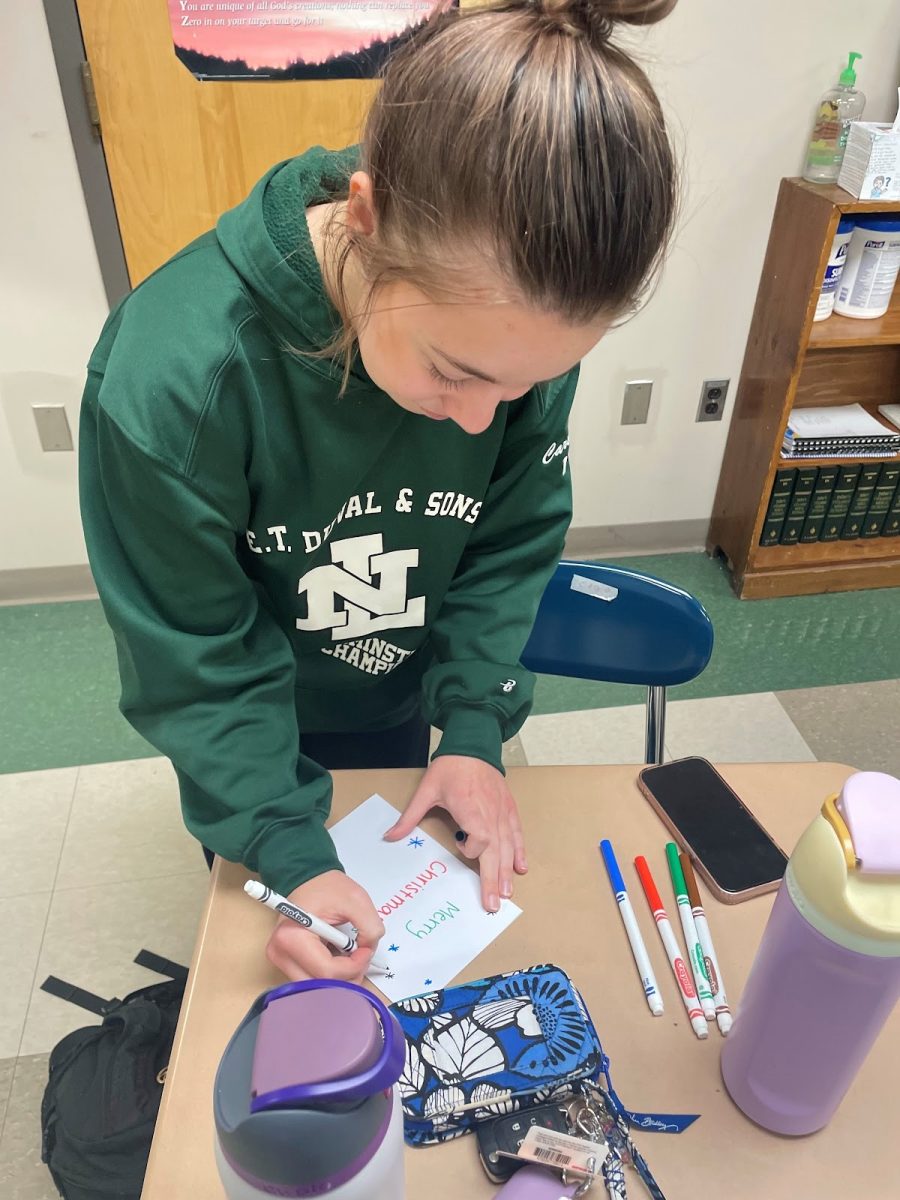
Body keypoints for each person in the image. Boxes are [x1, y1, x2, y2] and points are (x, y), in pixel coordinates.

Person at [79, 0, 678, 985]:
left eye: (521, 385)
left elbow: (512, 538)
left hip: (393, 684)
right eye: (455, 369)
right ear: (364, 220)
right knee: (273, 957)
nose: (486, 420)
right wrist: (287, 845)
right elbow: (196, 660)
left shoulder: (508, 337)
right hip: (249, 708)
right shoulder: (173, 379)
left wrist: (476, 728)